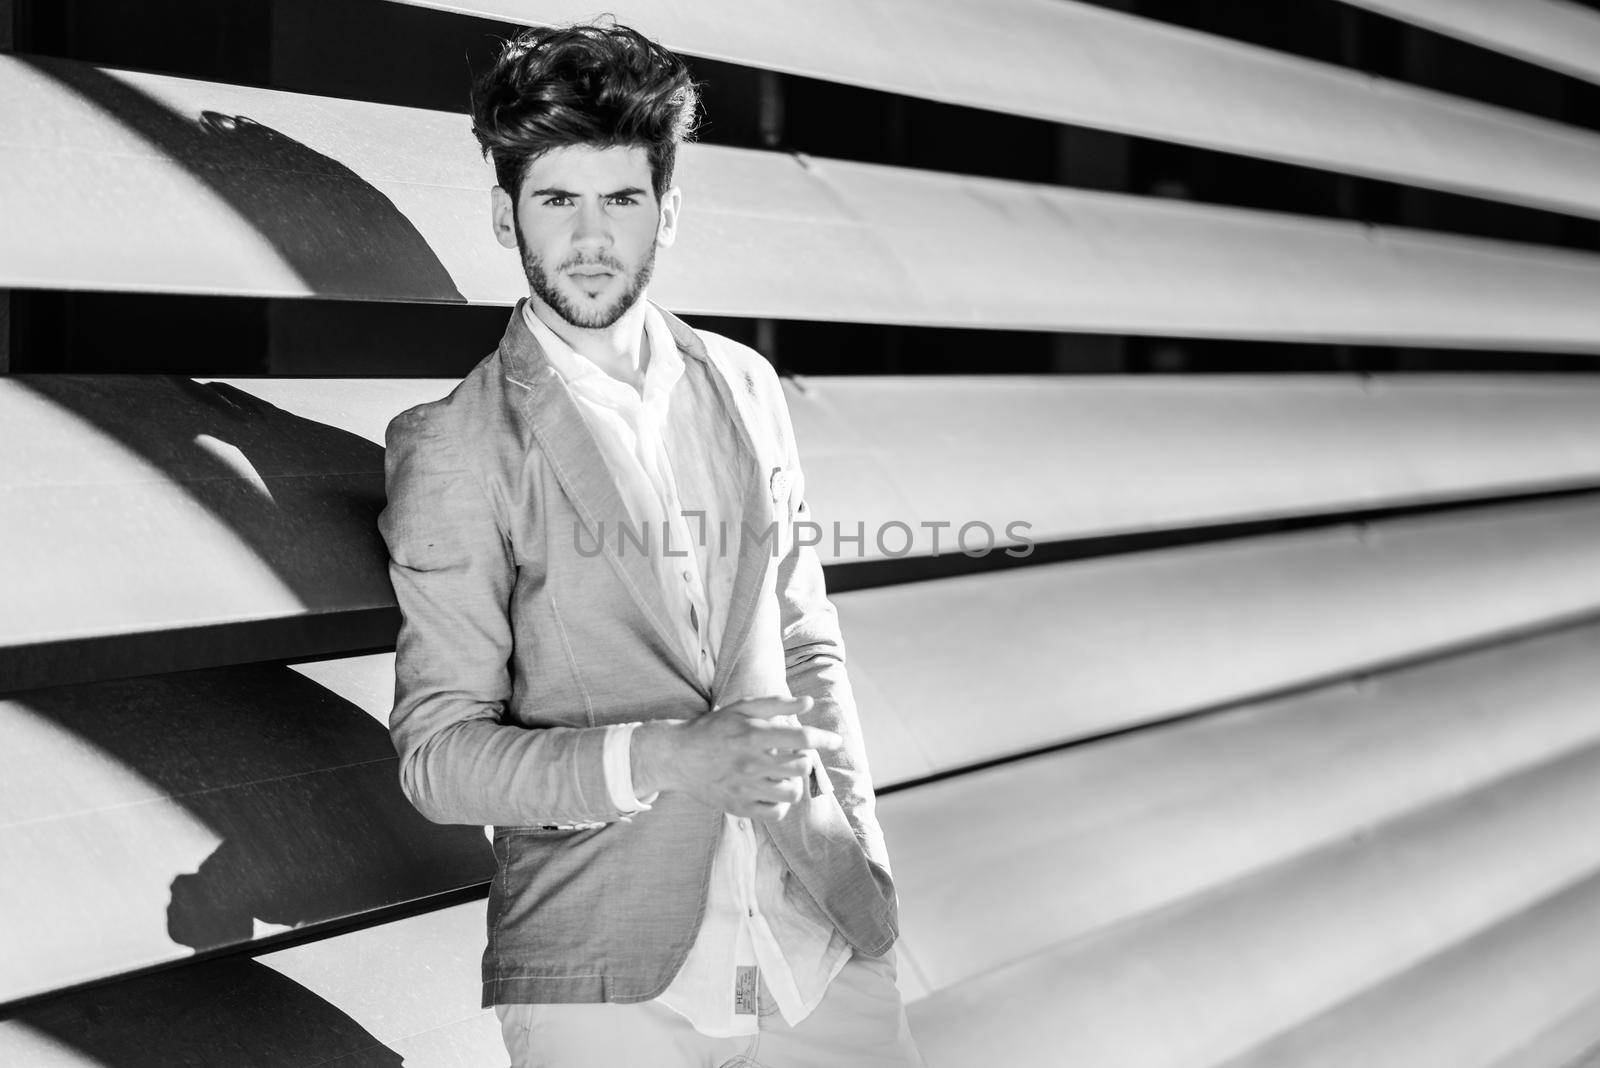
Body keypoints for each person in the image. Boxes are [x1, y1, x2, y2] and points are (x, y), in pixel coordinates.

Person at [377, 21, 923, 1067]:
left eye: (621, 200)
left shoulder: (744, 385)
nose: (590, 239)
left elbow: (806, 640)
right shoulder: (456, 446)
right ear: (506, 215)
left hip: (823, 951)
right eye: (557, 200)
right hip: (608, 990)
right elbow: (440, 758)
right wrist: (664, 758)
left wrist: (861, 855)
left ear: (666, 212)